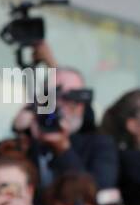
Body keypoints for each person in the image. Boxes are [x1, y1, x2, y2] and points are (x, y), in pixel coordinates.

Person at [13, 67, 119, 197]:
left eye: (75, 97)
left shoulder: (100, 144)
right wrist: (21, 136)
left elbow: (96, 193)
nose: (63, 105)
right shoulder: (28, 138)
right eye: (54, 95)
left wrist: (64, 149)